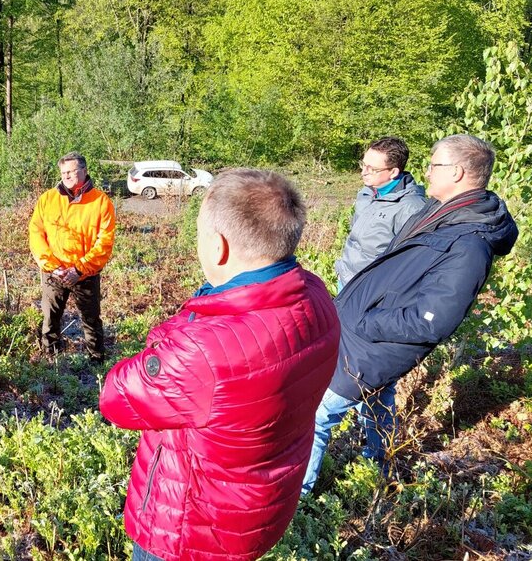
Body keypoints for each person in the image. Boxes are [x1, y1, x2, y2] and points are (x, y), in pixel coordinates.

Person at [100, 169, 340, 561]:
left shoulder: (202, 349)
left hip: (189, 528)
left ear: (219, 247)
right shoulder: (314, 296)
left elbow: (116, 397)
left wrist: (181, 327)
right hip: (256, 510)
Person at [302, 134, 518, 494]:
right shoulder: (440, 212)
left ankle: (298, 498)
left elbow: (433, 319)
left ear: (459, 172)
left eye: (434, 165)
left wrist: (365, 320)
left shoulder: (469, 243)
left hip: (376, 340)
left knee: (317, 415)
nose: (427, 172)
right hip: (366, 331)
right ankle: (377, 468)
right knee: (377, 399)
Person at [28, 152, 116, 362]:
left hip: (85, 275)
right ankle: (51, 360)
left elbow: (104, 242)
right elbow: (36, 233)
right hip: (54, 273)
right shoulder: (48, 199)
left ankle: (96, 361)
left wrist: (79, 270)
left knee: (91, 320)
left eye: (71, 171)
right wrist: (53, 266)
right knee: (51, 318)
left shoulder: (101, 202)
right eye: (63, 172)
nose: (66, 175)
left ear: (84, 171)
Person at [335, 137, 426, 288]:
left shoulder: (411, 208)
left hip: (371, 289)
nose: (364, 172)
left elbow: (412, 261)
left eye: (372, 169)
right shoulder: (367, 192)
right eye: (363, 165)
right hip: (346, 279)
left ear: (393, 172)